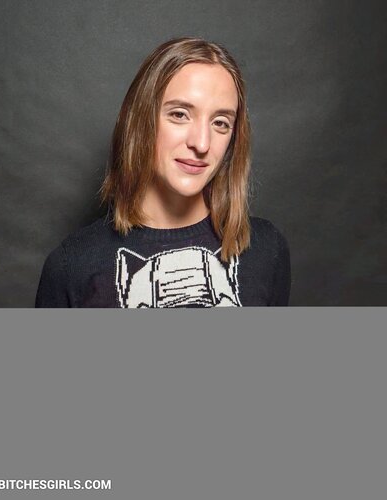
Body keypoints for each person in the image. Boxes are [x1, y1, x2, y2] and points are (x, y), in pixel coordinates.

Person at [35, 37, 291, 308]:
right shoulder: (73, 266)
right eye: (180, 115)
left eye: (220, 122)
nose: (202, 144)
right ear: (140, 121)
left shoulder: (266, 250)